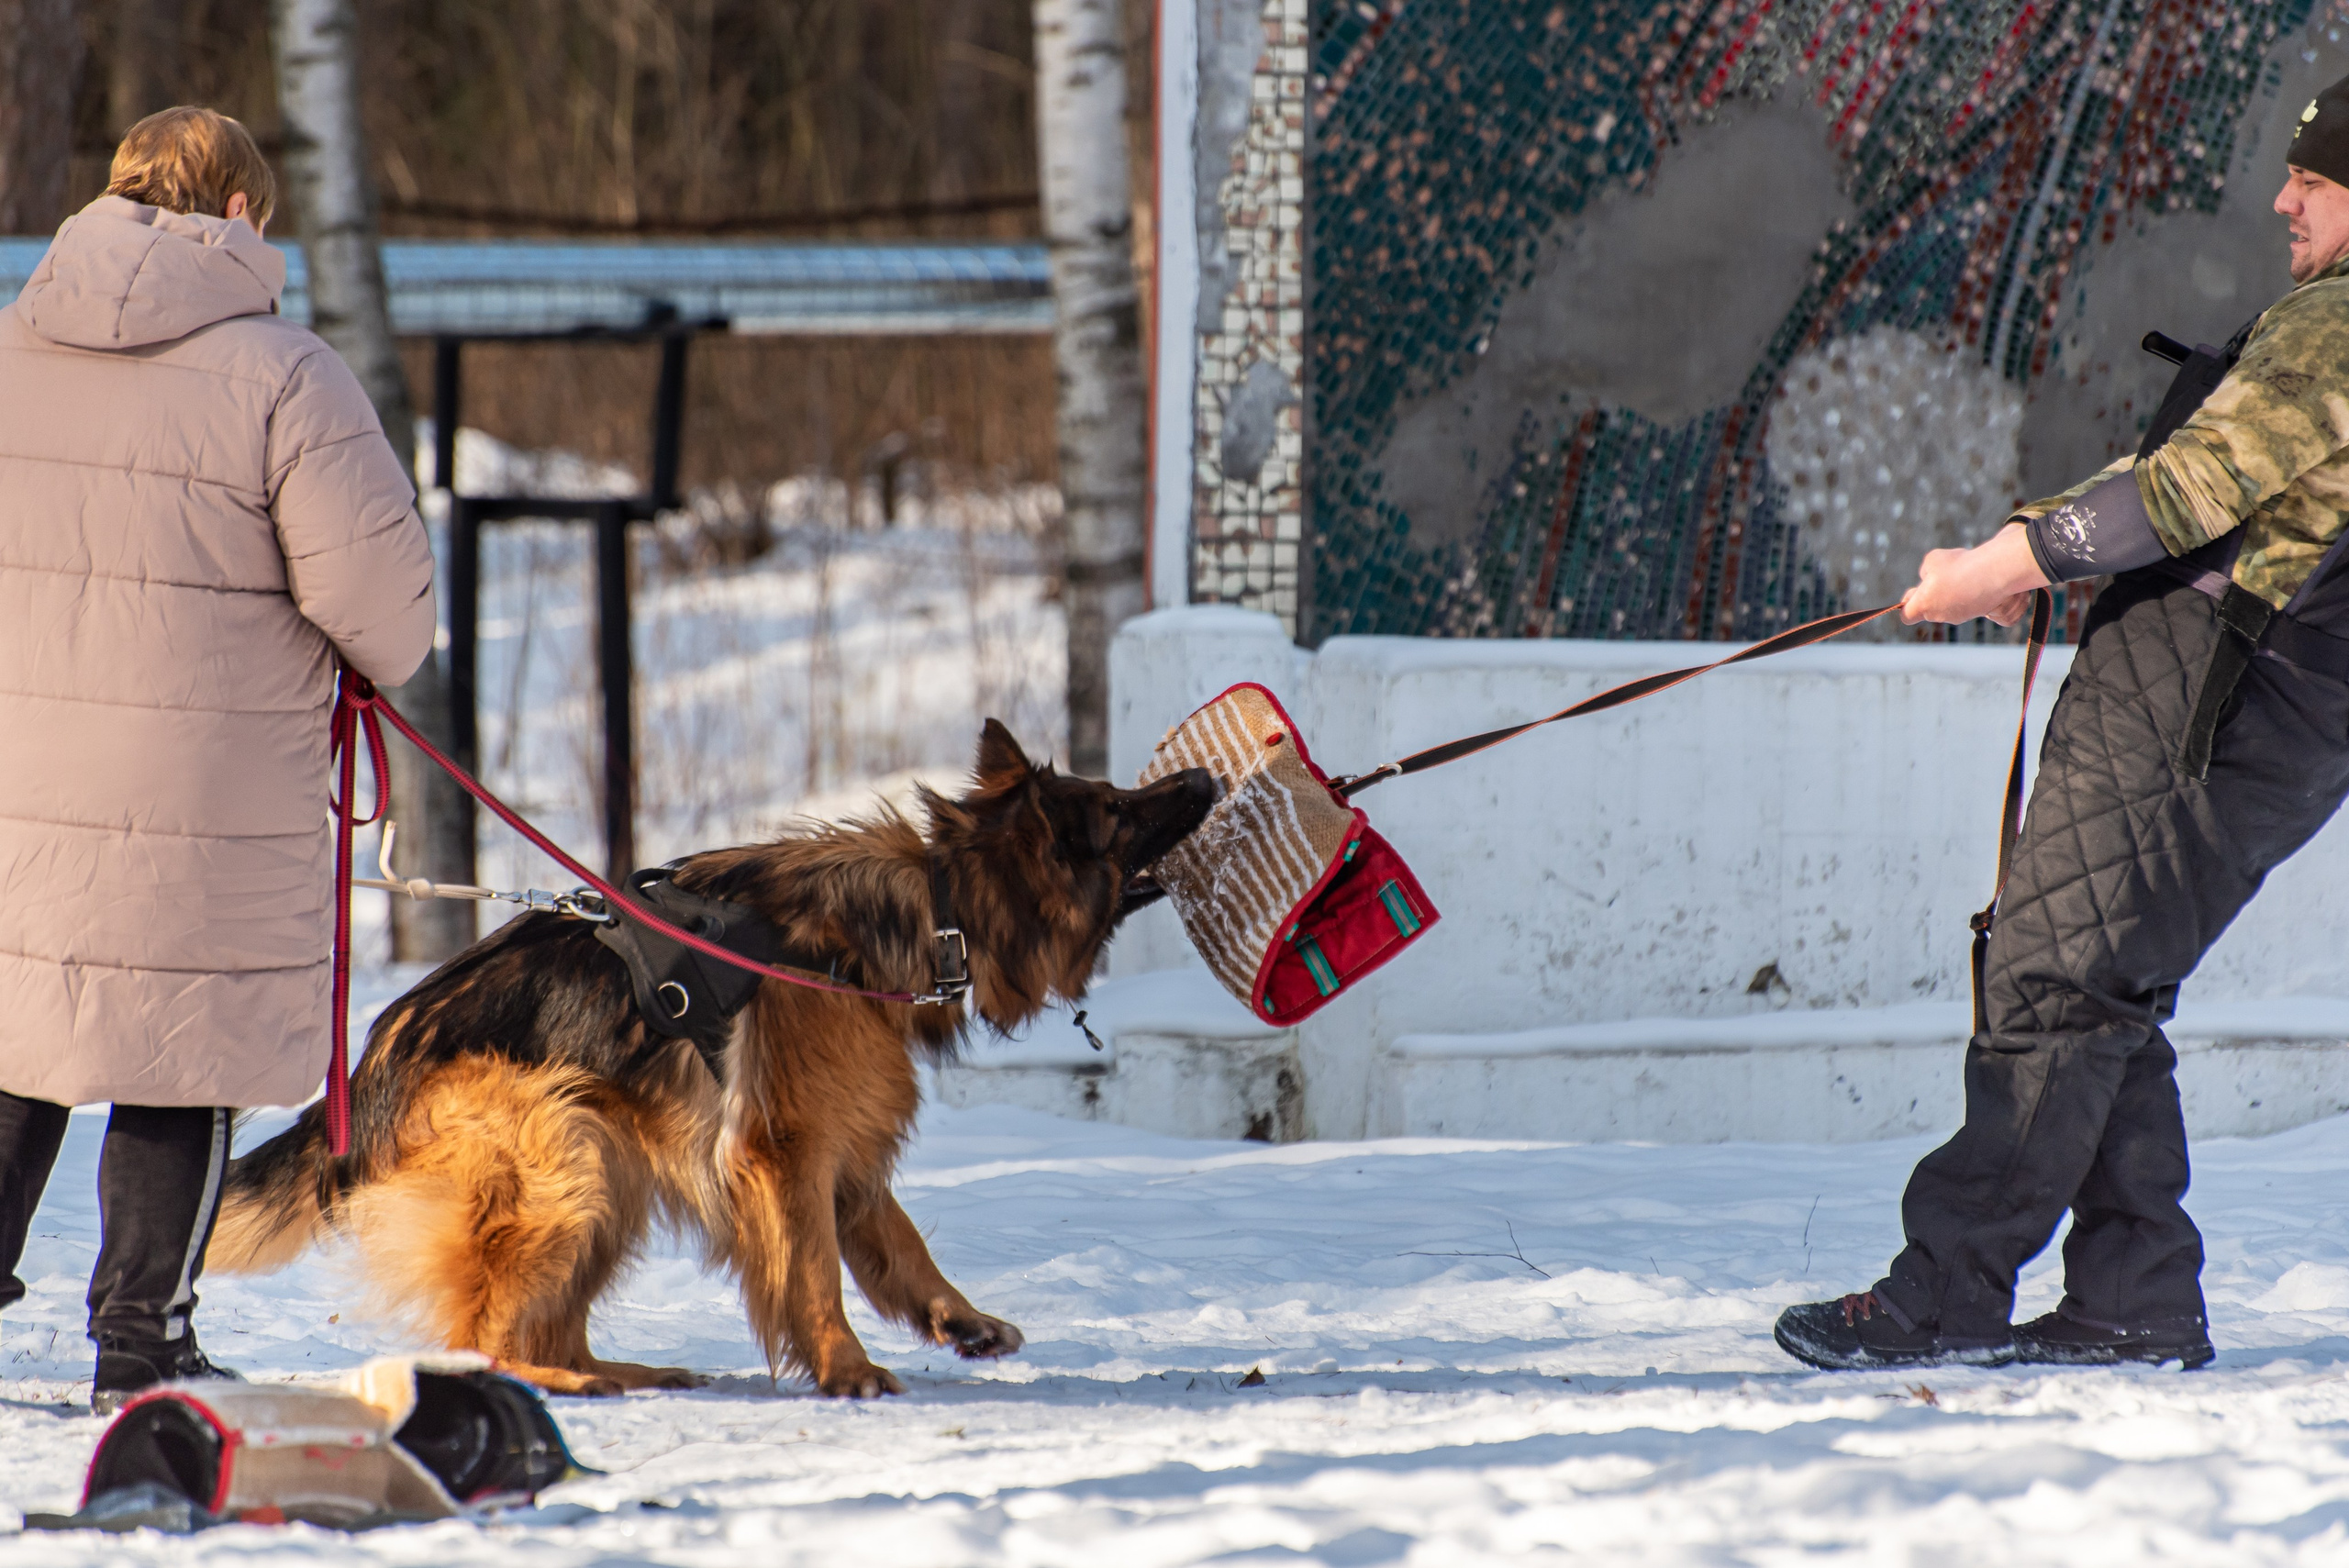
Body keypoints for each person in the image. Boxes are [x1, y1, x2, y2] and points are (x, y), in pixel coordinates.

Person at [1772, 73, 2349, 1373]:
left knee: (2052, 972)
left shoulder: (2339, 325)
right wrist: (2009, 554)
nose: (2283, 199)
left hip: (2206, 703)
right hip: (2245, 711)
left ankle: (1947, 1286)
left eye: (2311, 180)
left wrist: (2011, 564)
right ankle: (2133, 1294)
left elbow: (2193, 490)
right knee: (2107, 980)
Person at [0, 107, 436, 1412]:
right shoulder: (286, 376)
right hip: (204, 781)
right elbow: (387, 611)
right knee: (183, 1042)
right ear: (242, 216)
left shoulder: (12, 350)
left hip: (23, 763)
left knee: (26, 1025)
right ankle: (144, 1334)